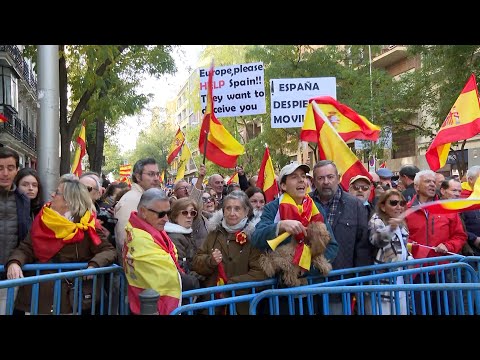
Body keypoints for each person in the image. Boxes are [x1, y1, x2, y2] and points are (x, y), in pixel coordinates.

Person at [6, 174, 116, 314]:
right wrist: (14, 262)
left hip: (70, 298)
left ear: (68, 200)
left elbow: (108, 250)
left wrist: (93, 265)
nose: (52, 195)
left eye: (57, 193)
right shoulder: (44, 219)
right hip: (39, 296)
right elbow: (26, 247)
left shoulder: (86, 224)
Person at [192, 190, 267, 315]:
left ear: (246, 211)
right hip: (213, 305)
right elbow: (196, 262)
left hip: (242, 306)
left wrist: (231, 285)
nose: (232, 213)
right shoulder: (214, 233)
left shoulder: (254, 235)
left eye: (237, 209)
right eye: (228, 208)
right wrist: (210, 261)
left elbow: (260, 273)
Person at [405, 170, 467, 314]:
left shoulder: (447, 208)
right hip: (417, 272)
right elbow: (402, 238)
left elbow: (460, 236)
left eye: (434, 181)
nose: (432, 184)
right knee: (421, 310)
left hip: (444, 270)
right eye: (427, 181)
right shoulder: (406, 210)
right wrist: (414, 247)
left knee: (447, 309)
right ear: (416, 186)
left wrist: (448, 245)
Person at [123, 188, 187, 315]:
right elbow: (166, 277)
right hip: (150, 306)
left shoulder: (151, 229)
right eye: (161, 214)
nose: (166, 219)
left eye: (168, 213)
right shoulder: (139, 238)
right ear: (143, 212)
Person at [368, 189, 412, 315]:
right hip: (382, 287)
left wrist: (409, 258)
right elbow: (377, 240)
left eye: (402, 203)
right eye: (393, 203)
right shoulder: (376, 221)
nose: (399, 207)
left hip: (400, 282)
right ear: (382, 206)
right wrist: (390, 228)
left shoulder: (401, 224)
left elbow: (402, 249)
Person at [0, 148, 32, 315]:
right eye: (0, 168)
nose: (5, 173)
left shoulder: (23, 199)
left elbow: (25, 238)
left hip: (9, 275)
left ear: (16, 170)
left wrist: (16, 261)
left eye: (10, 168)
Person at [164, 197, 202, 287]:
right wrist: (201, 278)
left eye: (192, 213)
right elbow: (182, 268)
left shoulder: (187, 234)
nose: (189, 216)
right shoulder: (175, 237)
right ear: (175, 215)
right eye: (185, 212)